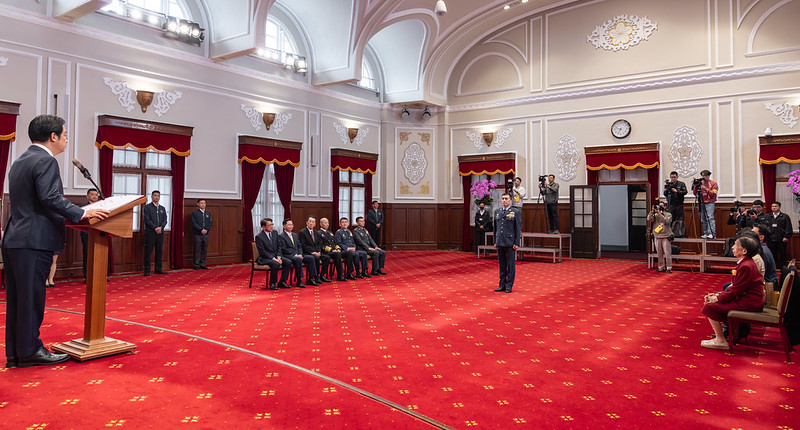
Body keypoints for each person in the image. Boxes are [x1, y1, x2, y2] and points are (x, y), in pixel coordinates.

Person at [2, 114, 109, 368]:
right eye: (65, 135)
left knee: (18, 300)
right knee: (32, 299)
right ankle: (30, 351)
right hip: (34, 241)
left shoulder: (20, 160)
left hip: (16, 239)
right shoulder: (45, 160)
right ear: (53, 136)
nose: (66, 140)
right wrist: (82, 213)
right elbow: (50, 197)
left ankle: (17, 352)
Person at [700, 235, 764, 350]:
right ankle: (724, 335)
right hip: (747, 298)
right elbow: (736, 287)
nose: (733, 247)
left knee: (709, 307)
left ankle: (720, 340)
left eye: (735, 245)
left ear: (744, 251)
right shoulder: (746, 263)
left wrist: (717, 298)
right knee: (713, 303)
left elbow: (736, 289)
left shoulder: (746, 266)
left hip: (749, 302)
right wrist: (718, 295)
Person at [494, 192, 521, 293]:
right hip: (500, 241)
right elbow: (495, 228)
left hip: (510, 242)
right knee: (502, 265)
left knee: (510, 265)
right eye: (503, 199)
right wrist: (495, 241)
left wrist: (516, 242)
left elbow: (517, 228)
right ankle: (502, 284)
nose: (504, 201)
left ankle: (509, 285)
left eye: (506, 199)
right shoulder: (497, 211)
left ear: (510, 200)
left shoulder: (515, 212)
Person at [255, 218, 291, 290]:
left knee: (288, 262)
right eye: (269, 225)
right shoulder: (259, 237)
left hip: (276, 256)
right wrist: (274, 259)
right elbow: (262, 251)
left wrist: (278, 257)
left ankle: (282, 282)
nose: (271, 226)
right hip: (265, 258)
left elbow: (279, 246)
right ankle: (272, 283)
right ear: (263, 227)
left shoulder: (275, 232)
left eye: (272, 225)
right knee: (275, 263)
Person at [279, 219, 316, 287]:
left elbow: (299, 246)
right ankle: (299, 280)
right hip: (288, 255)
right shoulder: (281, 236)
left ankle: (311, 278)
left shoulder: (295, 235)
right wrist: (296, 255)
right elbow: (284, 249)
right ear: (284, 226)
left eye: (292, 225)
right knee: (298, 259)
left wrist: (300, 254)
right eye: (289, 225)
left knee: (311, 258)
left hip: (298, 254)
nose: (291, 226)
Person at [299, 216, 332, 284]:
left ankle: (321, 275)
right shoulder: (302, 232)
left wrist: (319, 251)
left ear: (315, 224)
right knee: (315, 258)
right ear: (307, 223)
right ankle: (313, 277)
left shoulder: (316, 232)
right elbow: (303, 245)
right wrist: (312, 252)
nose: (311, 223)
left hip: (316, 252)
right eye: (310, 222)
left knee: (327, 258)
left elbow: (319, 244)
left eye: (313, 222)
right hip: (307, 253)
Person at [142, 190, 168, 276]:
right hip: (150, 233)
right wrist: (155, 228)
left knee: (159, 251)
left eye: (158, 196)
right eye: (155, 195)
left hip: (160, 233)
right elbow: (147, 219)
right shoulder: (147, 207)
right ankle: (147, 270)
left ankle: (158, 269)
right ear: (152, 196)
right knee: (148, 252)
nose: (156, 197)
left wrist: (161, 227)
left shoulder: (162, 208)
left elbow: (165, 220)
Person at [318, 217, 350, 281]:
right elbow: (321, 245)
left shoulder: (330, 232)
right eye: (325, 223)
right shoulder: (319, 233)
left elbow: (335, 243)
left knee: (348, 253)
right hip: (326, 252)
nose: (327, 224)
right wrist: (331, 250)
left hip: (334, 251)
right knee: (336, 254)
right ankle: (340, 275)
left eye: (328, 223)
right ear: (321, 224)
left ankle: (349, 272)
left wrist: (338, 248)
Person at [80, 188, 101, 280]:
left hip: (99, 233)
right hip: (87, 233)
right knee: (88, 255)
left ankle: (100, 275)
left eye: (96, 195)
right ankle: (87, 276)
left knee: (99, 255)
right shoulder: (83, 207)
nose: (94, 197)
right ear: (87, 196)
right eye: (92, 195)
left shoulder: (102, 206)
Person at [647, 201, 673, 273]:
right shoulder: (655, 215)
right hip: (657, 235)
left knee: (667, 253)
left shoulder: (668, 214)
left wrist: (660, 214)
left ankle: (669, 267)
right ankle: (661, 267)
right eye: (659, 206)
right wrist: (652, 212)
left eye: (662, 206)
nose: (660, 207)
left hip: (665, 236)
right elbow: (649, 219)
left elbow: (666, 221)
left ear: (665, 207)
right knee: (659, 253)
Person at [692, 169, 718, 239]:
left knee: (710, 217)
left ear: (708, 176)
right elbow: (695, 193)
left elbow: (713, 194)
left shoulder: (713, 183)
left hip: (710, 202)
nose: (704, 177)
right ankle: (706, 233)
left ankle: (712, 233)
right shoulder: (700, 183)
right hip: (701, 202)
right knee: (703, 218)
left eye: (705, 176)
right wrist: (695, 186)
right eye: (702, 176)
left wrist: (705, 189)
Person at [767, 202, 793, 268]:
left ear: (779, 207)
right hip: (771, 239)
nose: (774, 208)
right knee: (772, 254)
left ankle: (783, 268)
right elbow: (765, 226)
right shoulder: (768, 216)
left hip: (781, 239)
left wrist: (786, 236)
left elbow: (788, 227)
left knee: (782, 254)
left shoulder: (784, 216)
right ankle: (773, 267)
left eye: (775, 206)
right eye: (772, 206)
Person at [191, 198, 212, 270]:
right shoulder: (195, 213)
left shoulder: (208, 213)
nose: (203, 204)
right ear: (198, 204)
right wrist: (201, 230)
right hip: (197, 234)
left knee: (204, 250)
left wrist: (206, 230)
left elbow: (210, 223)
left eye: (204, 203)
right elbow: (194, 223)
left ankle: (203, 263)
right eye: (201, 203)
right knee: (196, 250)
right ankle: (196, 264)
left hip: (206, 234)